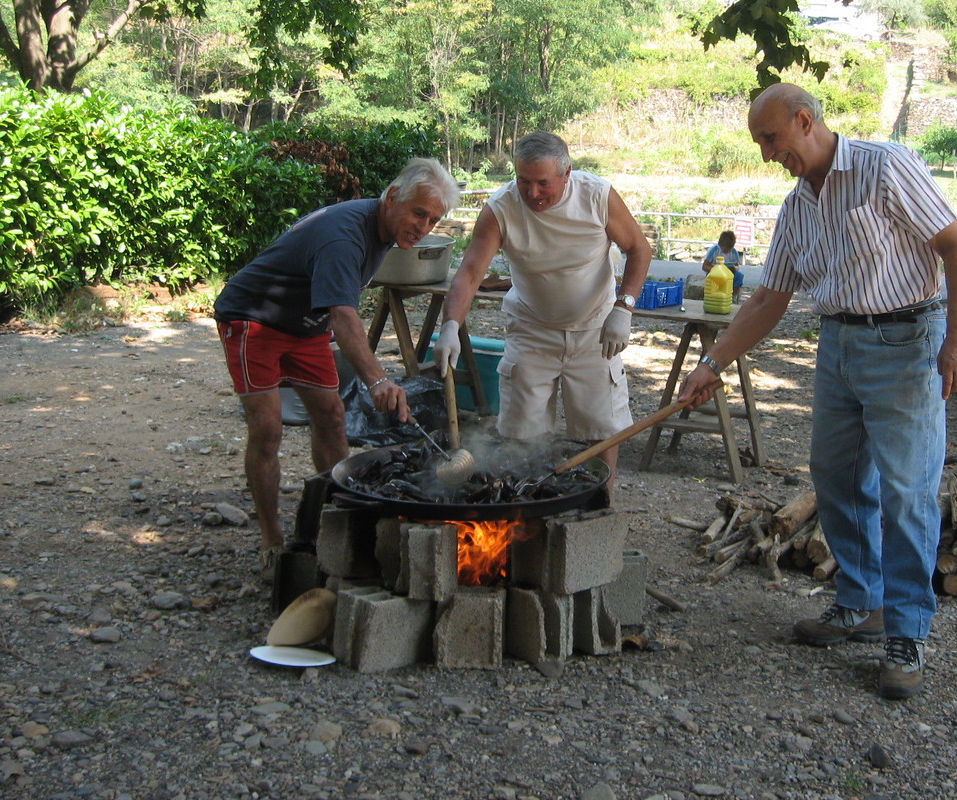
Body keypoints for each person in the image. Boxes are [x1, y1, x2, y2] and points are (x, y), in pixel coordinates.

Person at [678, 83, 957, 700]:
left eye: (771, 139)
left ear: (804, 121)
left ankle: (907, 630)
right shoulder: (796, 207)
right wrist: (712, 363)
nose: (766, 154)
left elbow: (955, 247)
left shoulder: (884, 166)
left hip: (906, 340)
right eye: (760, 143)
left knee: (906, 490)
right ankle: (861, 602)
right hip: (838, 345)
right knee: (836, 476)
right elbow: (768, 298)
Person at [213, 158, 460, 578]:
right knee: (268, 427)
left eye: (433, 219)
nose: (424, 226)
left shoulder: (384, 228)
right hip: (253, 317)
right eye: (419, 213)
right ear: (393, 196)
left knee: (331, 415)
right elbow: (344, 314)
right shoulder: (345, 236)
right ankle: (272, 539)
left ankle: (340, 515)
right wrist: (377, 379)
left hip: (304, 322)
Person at [433, 131, 653, 488]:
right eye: (523, 181)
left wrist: (624, 307)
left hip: (596, 329)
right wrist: (450, 326)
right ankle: (528, 507)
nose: (532, 193)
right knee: (522, 431)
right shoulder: (501, 208)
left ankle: (602, 505)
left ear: (567, 175)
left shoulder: (596, 196)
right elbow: (471, 273)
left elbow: (639, 249)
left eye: (543, 183)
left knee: (602, 428)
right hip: (531, 329)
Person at [702, 229, 746, 300]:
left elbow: (737, 265)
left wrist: (734, 268)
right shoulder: (713, 250)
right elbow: (704, 266)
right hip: (715, 273)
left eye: (730, 249)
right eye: (725, 249)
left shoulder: (734, 252)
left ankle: (732, 297)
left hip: (729, 272)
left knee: (739, 276)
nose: (728, 251)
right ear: (720, 244)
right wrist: (717, 269)